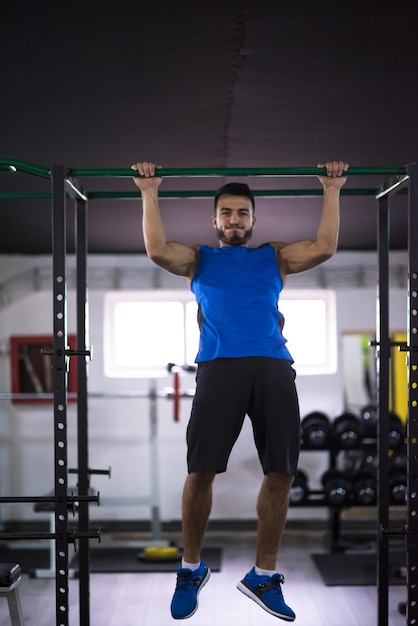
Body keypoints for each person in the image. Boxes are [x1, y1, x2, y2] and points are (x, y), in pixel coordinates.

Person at [132, 159, 349, 621]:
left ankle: (263, 576)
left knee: (282, 472)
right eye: (226, 213)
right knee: (201, 471)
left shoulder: (274, 256)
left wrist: (331, 189)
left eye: (242, 213)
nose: (234, 220)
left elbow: (326, 247)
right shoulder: (198, 258)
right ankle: (191, 568)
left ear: (253, 220)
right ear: (214, 220)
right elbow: (155, 250)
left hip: (273, 366)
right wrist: (149, 192)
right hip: (218, 368)